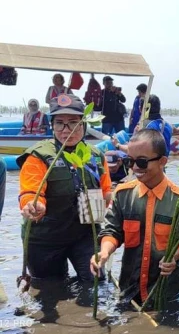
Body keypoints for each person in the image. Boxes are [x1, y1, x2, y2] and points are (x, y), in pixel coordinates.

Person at [91, 129, 179, 304]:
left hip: (164, 292)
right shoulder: (123, 194)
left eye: (141, 162)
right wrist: (104, 252)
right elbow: (113, 231)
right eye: (129, 161)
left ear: (162, 161)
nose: (134, 168)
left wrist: (174, 256)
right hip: (129, 290)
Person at [18, 94, 112, 282]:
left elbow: (106, 192)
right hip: (45, 238)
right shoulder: (38, 156)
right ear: (52, 125)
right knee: (50, 289)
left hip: (84, 235)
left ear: (84, 125)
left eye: (74, 123)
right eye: (60, 123)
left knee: (96, 282)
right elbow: (29, 192)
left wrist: (113, 203)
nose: (67, 130)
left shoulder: (95, 156)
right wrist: (33, 205)